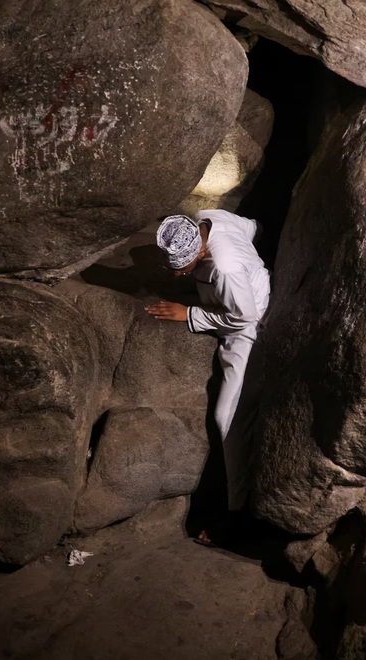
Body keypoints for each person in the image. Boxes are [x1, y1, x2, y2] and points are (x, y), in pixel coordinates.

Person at [146, 209, 270, 546]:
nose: (175, 276)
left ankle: (238, 514)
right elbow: (254, 226)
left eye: (180, 270)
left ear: (201, 252)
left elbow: (245, 318)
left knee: (227, 417)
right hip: (236, 294)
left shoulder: (226, 268)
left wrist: (189, 314)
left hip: (249, 323)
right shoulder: (207, 217)